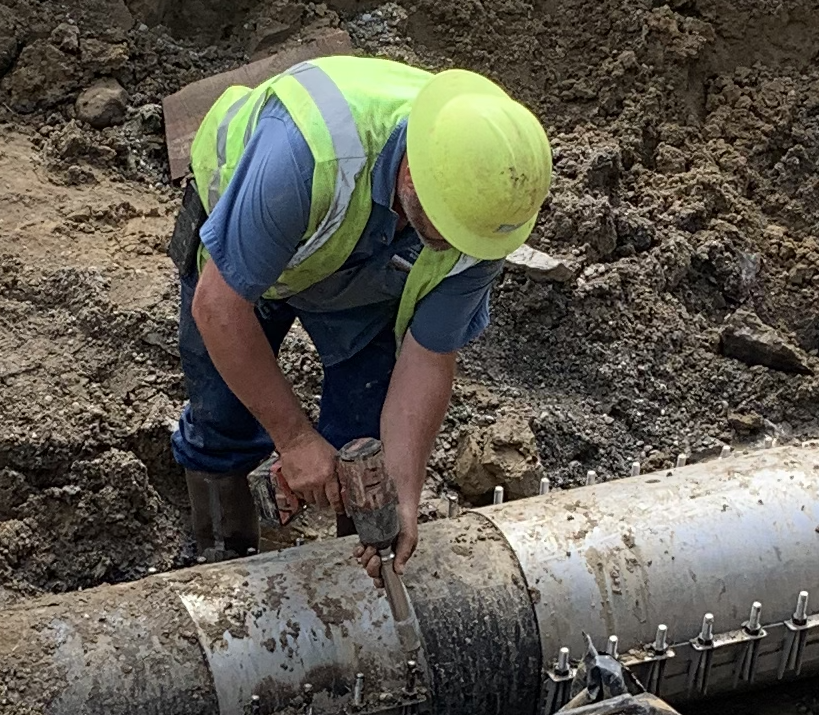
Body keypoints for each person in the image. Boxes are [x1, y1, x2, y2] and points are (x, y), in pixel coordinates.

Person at [173, 55, 553, 567]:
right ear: (414, 171)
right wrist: (294, 438)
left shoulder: (484, 220)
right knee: (224, 411)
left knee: (363, 422)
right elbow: (218, 308)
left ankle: (359, 554)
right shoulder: (306, 157)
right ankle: (220, 551)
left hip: (357, 262)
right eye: (445, 227)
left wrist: (401, 500)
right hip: (247, 245)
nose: (450, 248)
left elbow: (428, 357)